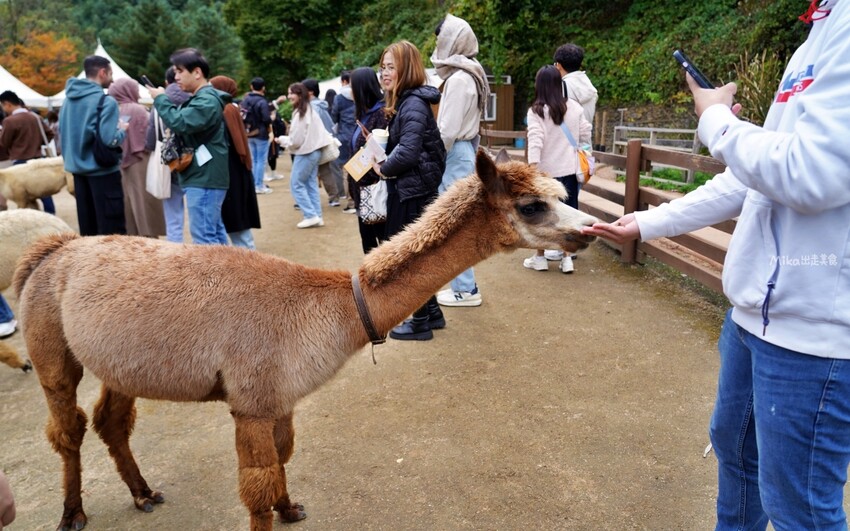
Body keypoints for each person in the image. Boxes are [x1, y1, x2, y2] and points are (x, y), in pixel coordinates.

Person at [584, 2, 850, 527]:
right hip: (754, 314)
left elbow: (814, 171)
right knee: (736, 453)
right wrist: (645, 223)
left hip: (814, 334)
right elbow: (750, 176)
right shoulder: (817, 35)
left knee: (801, 508)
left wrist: (716, 120)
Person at [373, 40, 446, 341]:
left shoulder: (413, 102)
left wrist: (383, 167)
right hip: (413, 188)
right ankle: (431, 313)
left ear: (406, 68)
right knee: (417, 254)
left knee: (409, 257)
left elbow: (409, 152)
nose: (385, 73)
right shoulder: (408, 101)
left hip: (412, 190)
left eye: (391, 67)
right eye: (383, 67)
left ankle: (419, 322)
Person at [430, 14, 490, 308]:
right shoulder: (473, 72)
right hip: (465, 151)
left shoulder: (458, 79)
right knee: (460, 221)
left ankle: (465, 289)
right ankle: (464, 286)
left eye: (441, 39)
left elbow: (447, 131)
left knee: (455, 224)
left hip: (454, 154)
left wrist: (431, 155)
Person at [148, 48, 230, 245]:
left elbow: (179, 122)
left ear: (197, 72)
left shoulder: (206, 100)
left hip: (204, 178)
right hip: (205, 176)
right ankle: (229, 276)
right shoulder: (205, 98)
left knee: (204, 238)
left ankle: (214, 277)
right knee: (214, 234)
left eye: (179, 71)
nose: (176, 77)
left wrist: (160, 98)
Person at [522, 65, 591, 274]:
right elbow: (586, 133)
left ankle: (540, 258)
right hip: (569, 171)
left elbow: (535, 140)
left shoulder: (536, 111)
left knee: (542, 216)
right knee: (568, 215)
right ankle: (567, 259)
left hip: (545, 173)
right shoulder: (575, 108)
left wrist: (533, 169)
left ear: (539, 85)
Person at [59, 55, 129, 236]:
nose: (112, 79)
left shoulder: (67, 101)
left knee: (88, 230)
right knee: (111, 232)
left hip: (78, 172)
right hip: (103, 173)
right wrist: (122, 130)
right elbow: (109, 140)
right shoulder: (106, 101)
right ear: (102, 72)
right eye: (111, 74)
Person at [548, 42, 598, 264]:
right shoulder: (590, 86)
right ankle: (572, 246)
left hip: (564, 149)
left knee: (558, 199)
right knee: (573, 198)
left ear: (559, 65)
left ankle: (562, 246)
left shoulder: (562, 87)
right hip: (583, 148)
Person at [108, 78, 166, 238]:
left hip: (121, 162)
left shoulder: (113, 109)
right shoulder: (138, 110)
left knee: (129, 200)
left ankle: (133, 234)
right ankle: (148, 234)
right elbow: (149, 136)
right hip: (141, 160)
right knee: (144, 200)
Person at [210, 75, 261, 249]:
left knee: (237, 220)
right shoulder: (231, 107)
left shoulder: (226, 109)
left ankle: (250, 265)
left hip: (232, 171)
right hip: (237, 170)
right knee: (237, 220)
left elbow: (234, 144)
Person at [145, 66, 191, 243]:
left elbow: (150, 137)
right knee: (200, 215)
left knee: (173, 216)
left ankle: (175, 252)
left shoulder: (159, 102)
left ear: (166, 82)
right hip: (192, 161)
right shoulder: (193, 98)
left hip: (168, 162)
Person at [278, 82, 331, 228]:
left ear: (300, 94)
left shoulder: (302, 113)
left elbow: (296, 141)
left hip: (306, 152)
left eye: (291, 93)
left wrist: (282, 140)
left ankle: (310, 214)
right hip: (314, 151)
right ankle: (316, 216)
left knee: (296, 184)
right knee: (310, 184)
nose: (289, 96)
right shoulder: (310, 109)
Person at [348, 66, 389, 253]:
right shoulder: (363, 115)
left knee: (383, 244)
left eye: (352, 87)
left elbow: (379, 153)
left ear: (361, 89)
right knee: (369, 244)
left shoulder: (381, 115)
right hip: (362, 191)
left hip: (374, 191)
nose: (350, 91)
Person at [0, 90, 56, 213]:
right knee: (43, 190)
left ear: (7, 104)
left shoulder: (9, 121)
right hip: (37, 159)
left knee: (23, 194)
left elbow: (3, 143)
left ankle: (31, 217)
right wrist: (37, 142)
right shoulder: (36, 117)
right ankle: (50, 214)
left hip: (20, 161)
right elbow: (50, 134)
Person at [302, 78, 341, 206]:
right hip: (325, 141)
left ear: (310, 92)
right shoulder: (322, 105)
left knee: (308, 173)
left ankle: (307, 200)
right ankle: (334, 197)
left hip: (314, 144)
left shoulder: (312, 107)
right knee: (326, 172)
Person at [241, 77, 273, 195]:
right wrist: (269, 126)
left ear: (251, 87)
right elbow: (266, 118)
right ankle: (259, 185)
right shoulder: (262, 101)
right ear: (263, 88)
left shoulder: (245, 100)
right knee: (261, 160)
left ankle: (254, 184)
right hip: (261, 133)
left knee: (254, 160)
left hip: (248, 133)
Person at [332, 71, 357, 210]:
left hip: (344, 137)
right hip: (359, 136)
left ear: (344, 81)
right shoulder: (360, 94)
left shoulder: (339, 98)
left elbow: (334, 117)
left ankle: (351, 202)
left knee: (346, 171)